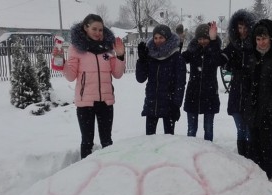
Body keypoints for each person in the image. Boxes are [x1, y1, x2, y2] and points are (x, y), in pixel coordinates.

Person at [52, 14, 126, 160]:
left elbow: (117, 74)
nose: (98, 33)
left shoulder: (108, 47)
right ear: (86, 28)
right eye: (94, 29)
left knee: (107, 141)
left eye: (101, 29)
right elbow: (71, 76)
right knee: (87, 141)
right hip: (85, 102)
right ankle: (86, 171)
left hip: (106, 100)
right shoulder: (76, 48)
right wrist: (61, 61)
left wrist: (120, 56)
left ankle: (108, 167)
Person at [243, 19, 272, 181]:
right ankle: (256, 172)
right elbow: (247, 83)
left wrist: (270, 108)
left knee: (266, 144)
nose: (261, 42)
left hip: (270, 110)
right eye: (258, 39)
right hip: (253, 108)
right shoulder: (252, 56)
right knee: (254, 143)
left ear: (271, 38)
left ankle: (268, 173)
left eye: (264, 38)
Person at [135, 24, 187, 135]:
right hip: (152, 104)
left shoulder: (176, 57)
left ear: (167, 38)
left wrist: (176, 105)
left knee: (168, 141)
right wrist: (142, 60)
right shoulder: (150, 55)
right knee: (149, 139)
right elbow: (140, 78)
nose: (158, 41)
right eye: (155, 38)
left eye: (161, 37)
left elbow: (180, 84)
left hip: (169, 105)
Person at [221, 9, 256, 158]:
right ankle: (242, 160)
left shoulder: (255, 47)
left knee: (249, 130)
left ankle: (251, 160)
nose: (242, 31)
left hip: (250, 94)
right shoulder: (233, 45)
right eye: (239, 28)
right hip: (236, 94)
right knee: (240, 130)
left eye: (245, 27)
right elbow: (220, 59)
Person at [181, 22, 225, 141]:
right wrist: (180, 42)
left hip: (209, 94)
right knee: (191, 129)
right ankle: (191, 151)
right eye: (200, 39)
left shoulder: (214, 51)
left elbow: (221, 60)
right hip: (193, 94)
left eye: (205, 38)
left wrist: (214, 41)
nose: (202, 41)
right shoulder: (193, 51)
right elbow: (179, 59)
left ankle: (208, 152)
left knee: (208, 128)